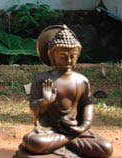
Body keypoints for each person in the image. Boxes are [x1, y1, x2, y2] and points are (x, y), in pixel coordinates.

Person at [16, 25, 113, 157]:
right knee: (33, 142)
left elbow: (87, 105)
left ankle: (66, 141)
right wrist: (45, 102)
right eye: (63, 56)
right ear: (52, 55)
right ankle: (68, 140)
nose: (68, 60)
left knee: (106, 147)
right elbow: (33, 108)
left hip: (75, 129)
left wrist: (83, 126)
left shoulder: (81, 80)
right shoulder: (42, 79)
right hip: (50, 131)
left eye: (72, 56)